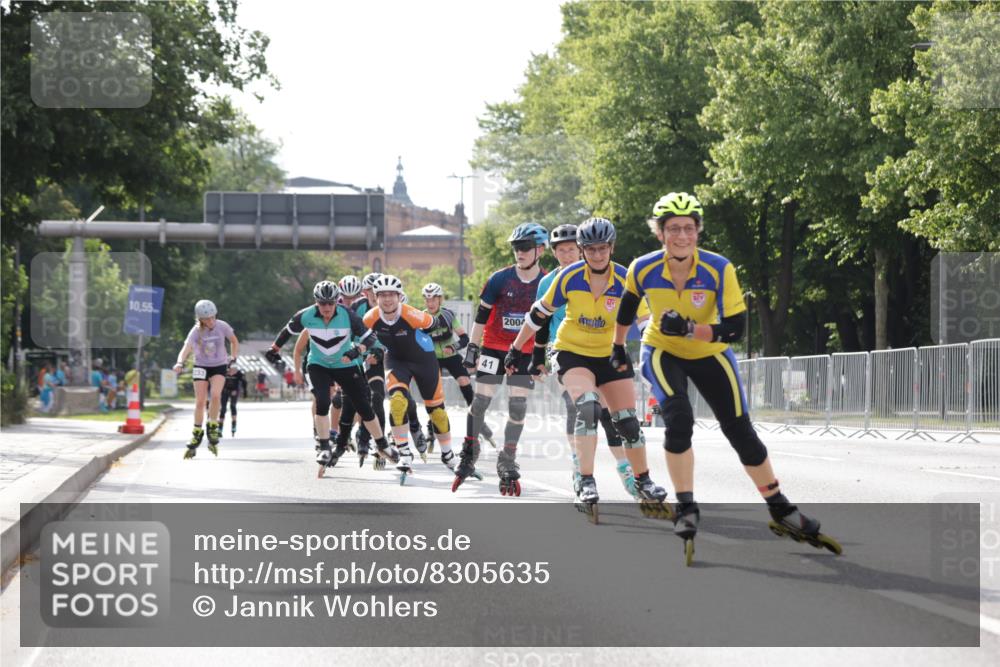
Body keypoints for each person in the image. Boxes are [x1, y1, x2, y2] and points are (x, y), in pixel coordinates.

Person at [613, 192, 840, 561]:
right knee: (678, 418)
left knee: (741, 432)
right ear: (660, 233)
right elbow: (625, 309)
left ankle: (780, 508)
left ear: (698, 231)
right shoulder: (643, 267)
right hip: (662, 352)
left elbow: (735, 329)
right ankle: (686, 506)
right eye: (673, 229)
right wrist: (618, 347)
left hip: (710, 354)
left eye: (688, 228)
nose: (681, 236)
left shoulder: (720, 268)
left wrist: (689, 328)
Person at [508, 218, 669, 522]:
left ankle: (643, 479)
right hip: (572, 352)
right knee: (589, 408)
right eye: (591, 249)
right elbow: (538, 314)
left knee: (627, 423)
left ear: (612, 247)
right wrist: (517, 348)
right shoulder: (569, 277)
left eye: (603, 248)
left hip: (609, 354)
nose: (597, 255)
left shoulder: (626, 279)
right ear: (582, 250)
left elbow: (646, 324)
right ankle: (585, 480)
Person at [534, 224, 640, 499]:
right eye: (562, 251)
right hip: (566, 351)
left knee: (610, 415)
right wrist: (537, 356)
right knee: (582, 409)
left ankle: (624, 466)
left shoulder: (604, 275)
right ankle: (580, 464)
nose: (568, 255)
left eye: (571, 250)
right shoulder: (549, 282)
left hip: (602, 351)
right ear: (555, 254)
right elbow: (541, 320)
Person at [455, 222, 548, 495]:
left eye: (525, 248)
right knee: (481, 400)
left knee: (518, 406)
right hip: (494, 346)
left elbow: (547, 322)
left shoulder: (546, 283)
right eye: (516, 248)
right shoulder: (499, 278)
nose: (519, 253)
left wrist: (543, 355)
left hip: (524, 351)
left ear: (540, 250)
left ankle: (507, 458)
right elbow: (481, 317)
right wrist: (472, 348)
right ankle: (469, 450)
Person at [266, 280, 396, 474]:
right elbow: (288, 331)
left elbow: (370, 338)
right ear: (316, 302)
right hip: (318, 364)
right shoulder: (306, 315)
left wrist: (357, 350)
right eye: (322, 303)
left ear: (337, 301)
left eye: (330, 303)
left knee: (363, 405)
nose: (326, 307)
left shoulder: (348, 315)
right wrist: (274, 348)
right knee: (322, 400)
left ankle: (382, 444)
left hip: (345, 363)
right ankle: (324, 446)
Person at [361, 274, 456, 483]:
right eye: (382, 295)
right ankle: (404, 452)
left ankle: (448, 455)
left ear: (399, 296)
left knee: (436, 411)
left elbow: (437, 322)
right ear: (375, 297)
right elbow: (362, 338)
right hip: (396, 361)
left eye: (391, 295)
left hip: (424, 359)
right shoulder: (370, 317)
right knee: (397, 402)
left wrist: (448, 320)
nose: (387, 299)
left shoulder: (411, 314)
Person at [421, 282, 496, 452]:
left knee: (464, 381)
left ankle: (480, 423)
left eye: (433, 299)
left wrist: (453, 347)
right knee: (435, 392)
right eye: (427, 299)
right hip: (433, 359)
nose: (430, 303)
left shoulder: (448, 315)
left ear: (440, 300)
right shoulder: (422, 318)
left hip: (451, 355)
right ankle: (431, 428)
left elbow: (464, 338)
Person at [173, 300, 239, 458]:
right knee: (200, 401)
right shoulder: (196, 331)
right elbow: (186, 348)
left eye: (212, 317)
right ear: (200, 319)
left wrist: (233, 359)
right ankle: (196, 431)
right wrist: (180, 362)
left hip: (219, 365)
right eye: (206, 319)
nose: (210, 321)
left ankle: (213, 426)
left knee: (216, 395)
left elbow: (234, 342)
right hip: (201, 366)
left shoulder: (222, 326)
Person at [219, 365, 248, 436]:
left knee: (233, 406)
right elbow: (219, 381)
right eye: (231, 371)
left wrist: (244, 392)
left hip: (234, 391)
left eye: (234, 371)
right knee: (223, 409)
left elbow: (244, 382)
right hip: (225, 391)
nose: (232, 373)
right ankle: (220, 429)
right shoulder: (224, 372)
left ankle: (233, 426)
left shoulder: (239, 374)